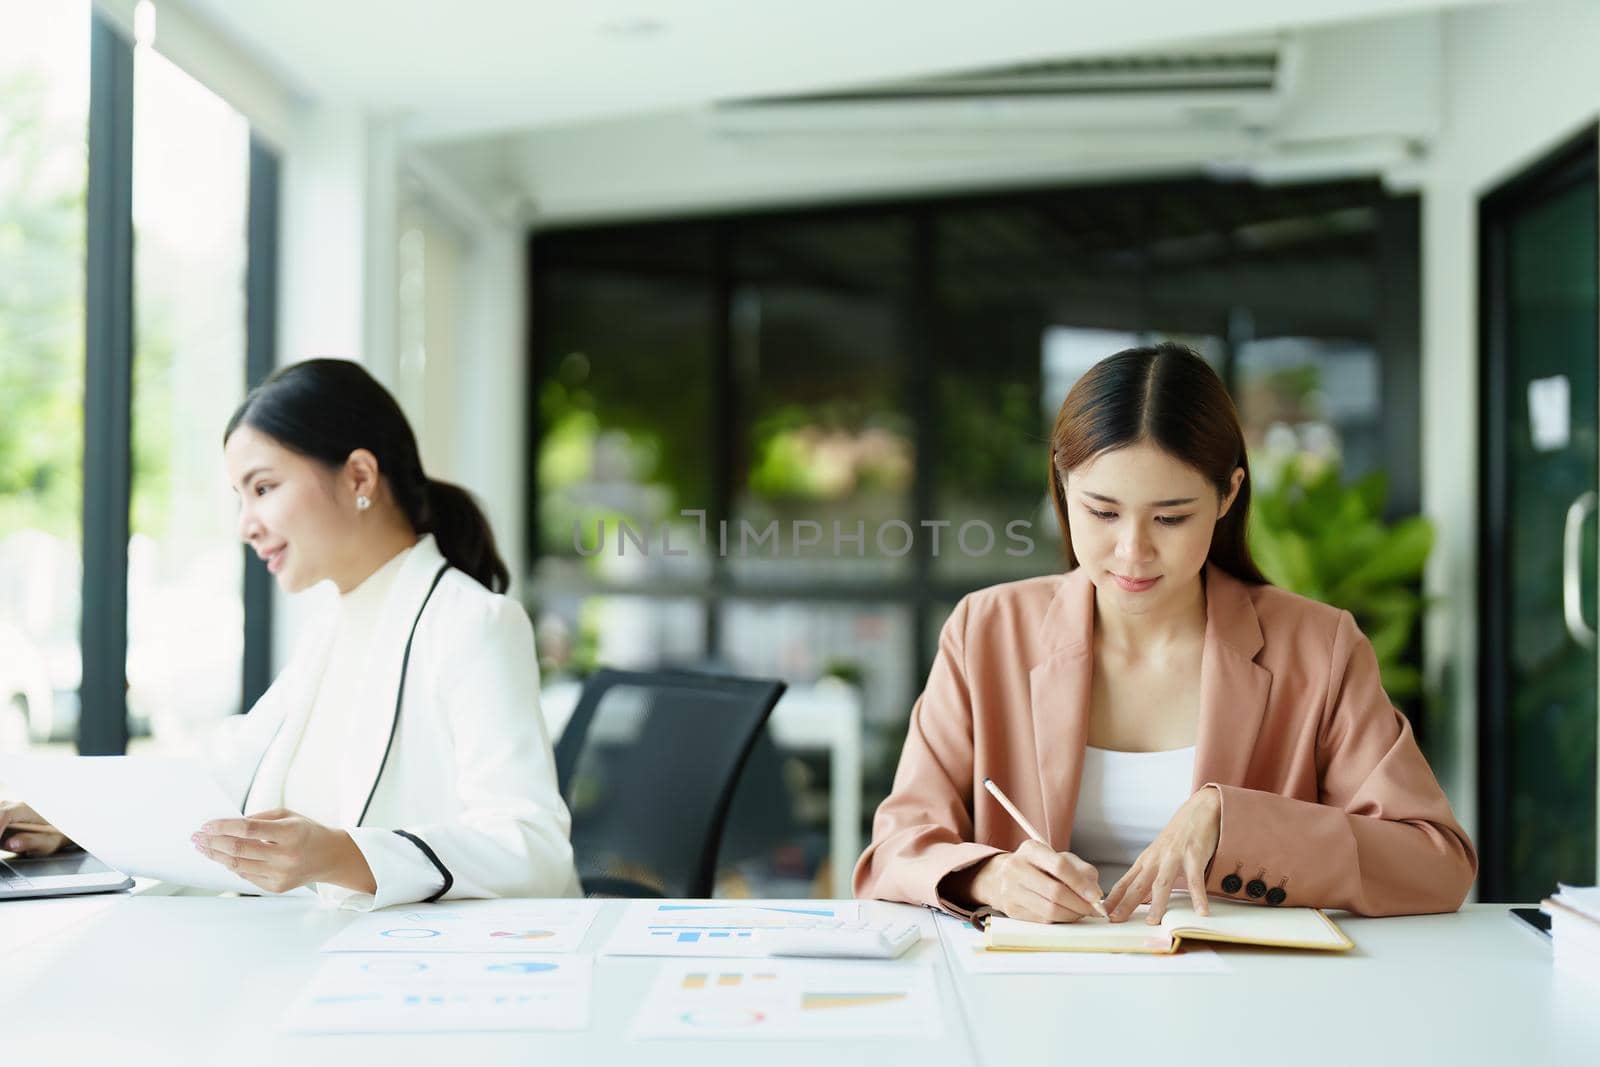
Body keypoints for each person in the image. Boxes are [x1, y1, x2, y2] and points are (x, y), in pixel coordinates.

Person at [854, 343, 1475, 925]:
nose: (1132, 552)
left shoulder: (1319, 647)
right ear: (1062, 486)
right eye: (1101, 512)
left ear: (1228, 493)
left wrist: (1239, 827)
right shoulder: (986, 632)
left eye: (1171, 518)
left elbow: (1436, 864)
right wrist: (989, 878)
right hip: (1035, 1000)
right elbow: (896, 849)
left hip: (1246, 1003)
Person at [0, 358, 579, 909]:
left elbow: (531, 844)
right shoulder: (333, 625)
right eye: (240, 496)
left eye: (263, 488)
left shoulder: (472, 623)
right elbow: (224, 772)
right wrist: (65, 819)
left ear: (359, 475)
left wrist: (342, 854)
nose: (246, 526)